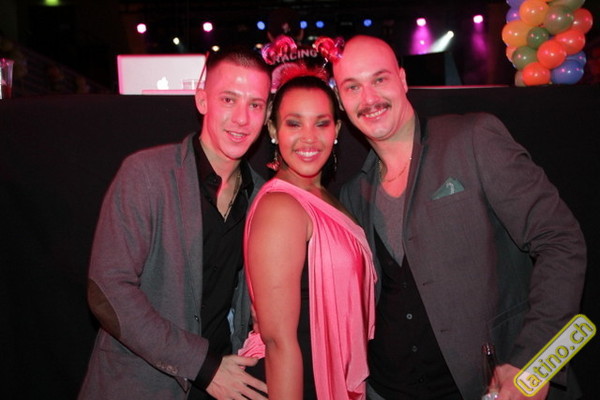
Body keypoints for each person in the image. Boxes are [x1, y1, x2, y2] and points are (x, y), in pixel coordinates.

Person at [331, 35, 586, 400]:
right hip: (388, 389)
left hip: (489, 386)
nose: (369, 98)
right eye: (352, 87)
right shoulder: (355, 192)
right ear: (341, 100)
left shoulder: (473, 138)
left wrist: (535, 362)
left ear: (402, 80)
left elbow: (561, 241)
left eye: (379, 79)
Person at [78, 46, 271, 400]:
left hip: (223, 385)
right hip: (139, 386)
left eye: (255, 104)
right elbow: (107, 290)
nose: (242, 118)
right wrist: (203, 366)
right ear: (202, 100)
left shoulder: (262, 196)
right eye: (229, 99)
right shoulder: (146, 173)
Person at [238, 75, 376, 399]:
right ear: (273, 130)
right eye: (294, 123)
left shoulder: (327, 197)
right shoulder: (280, 206)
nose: (309, 138)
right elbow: (278, 341)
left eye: (321, 123)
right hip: (293, 382)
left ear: (337, 130)